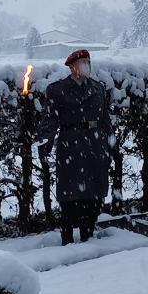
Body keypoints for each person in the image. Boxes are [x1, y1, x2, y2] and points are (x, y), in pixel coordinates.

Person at [37, 49, 114, 245]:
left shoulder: (99, 88)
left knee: (93, 195)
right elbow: (50, 120)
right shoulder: (57, 90)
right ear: (72, 67)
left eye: (88, 62)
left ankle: (88, 236)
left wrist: (111, 144)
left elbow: (105, 120)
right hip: (71, 145)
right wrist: (45, 143)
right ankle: (68, 240)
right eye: (82, 62)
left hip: (95, 146)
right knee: (70, 196)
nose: (86, 66)